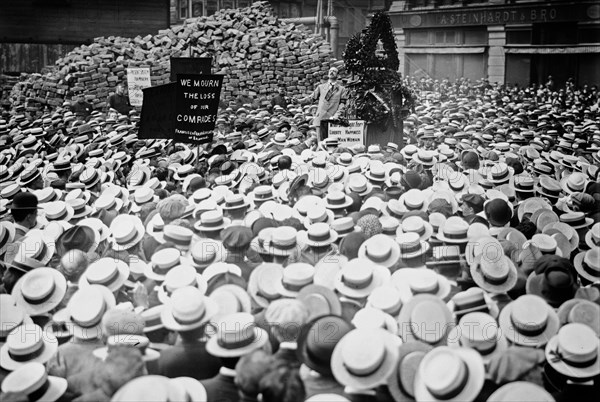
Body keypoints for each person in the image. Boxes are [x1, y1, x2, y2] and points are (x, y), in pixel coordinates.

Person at [295, 67, 347, 142]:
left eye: (334, 71)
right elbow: (311, 98)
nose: (332, 72)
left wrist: (336, 115)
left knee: (332, 142)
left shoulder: (341, 89)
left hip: (332, 119)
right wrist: (299, 101)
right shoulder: (321, 87)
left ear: (338, 75)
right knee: (321, 142)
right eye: (330, 71)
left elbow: (342, 104)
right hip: (321, 118)